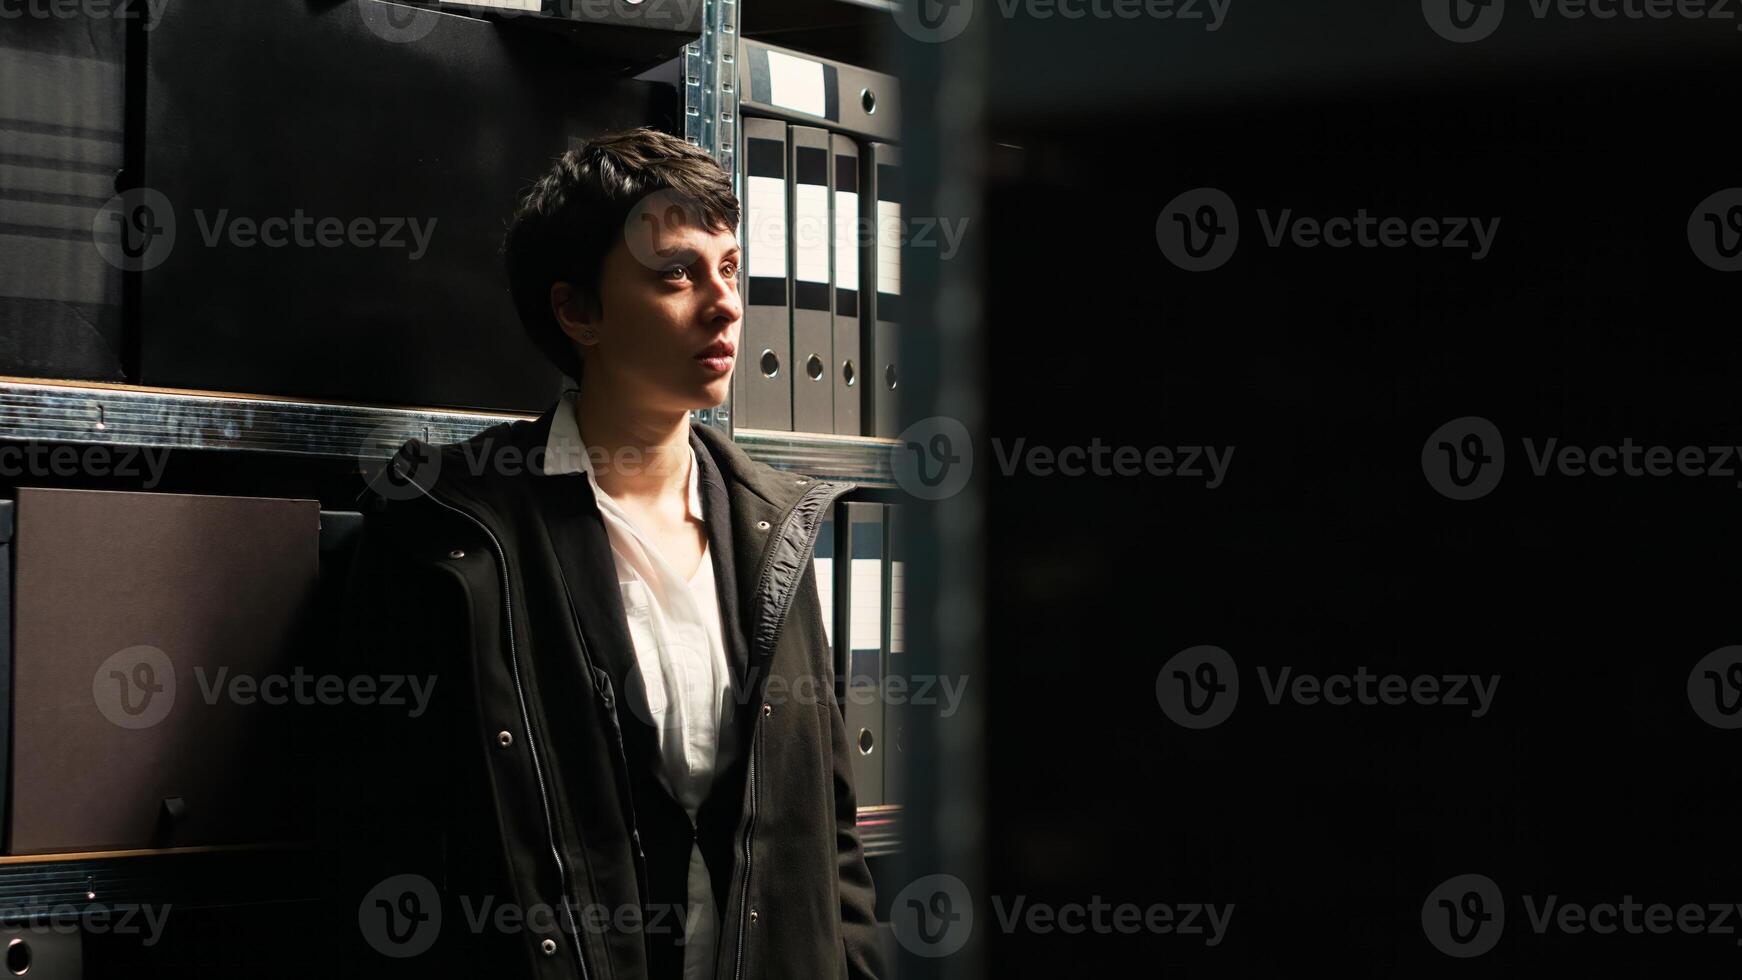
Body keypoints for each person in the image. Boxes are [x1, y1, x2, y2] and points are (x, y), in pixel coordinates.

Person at [345, 128, 883, 980]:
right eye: (677, 273)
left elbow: (831, 828)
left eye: (731, 268)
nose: (725, 304)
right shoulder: (456, 530)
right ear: (578, 311)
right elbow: (387, 838)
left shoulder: (774, 525)